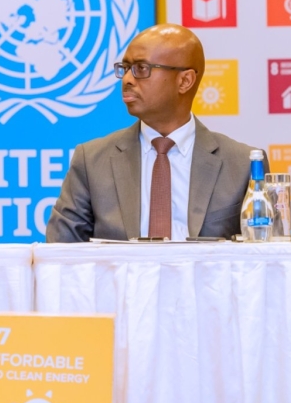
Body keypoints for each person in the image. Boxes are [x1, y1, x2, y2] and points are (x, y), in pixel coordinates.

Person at [46, 24, 262, 242]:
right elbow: (59, 253)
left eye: (141, 69)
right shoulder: (91, 161)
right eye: (125, 68)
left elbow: (262, 257)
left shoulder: (243, 164)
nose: (127, 79)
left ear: (185, 81)